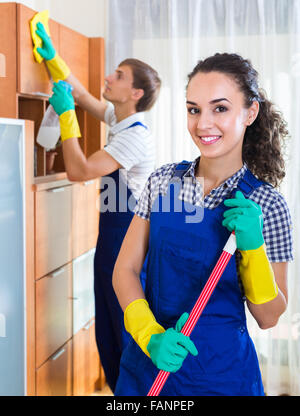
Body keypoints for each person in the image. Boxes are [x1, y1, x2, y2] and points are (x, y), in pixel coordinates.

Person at [112, 53, 293, 396]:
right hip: (149, 368)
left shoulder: (268, 205)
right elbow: (125, 269)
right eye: (194, 109)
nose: (203, 123)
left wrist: (252, 248)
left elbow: (269, 316)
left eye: (220, 108)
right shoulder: (162, 180)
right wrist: (150, 336)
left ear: (250, 112)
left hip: (220, 376)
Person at [34, 22, 161, 393]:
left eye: (118, 75)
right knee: (107, 332)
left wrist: (66, 116)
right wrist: (52, 58)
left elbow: (80, 170)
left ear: (134, 92)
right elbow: (84, 94)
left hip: (127, 243)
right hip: (110, 240)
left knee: (124, 336)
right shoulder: (120, 120)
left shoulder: (135, 137)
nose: (109, 76)